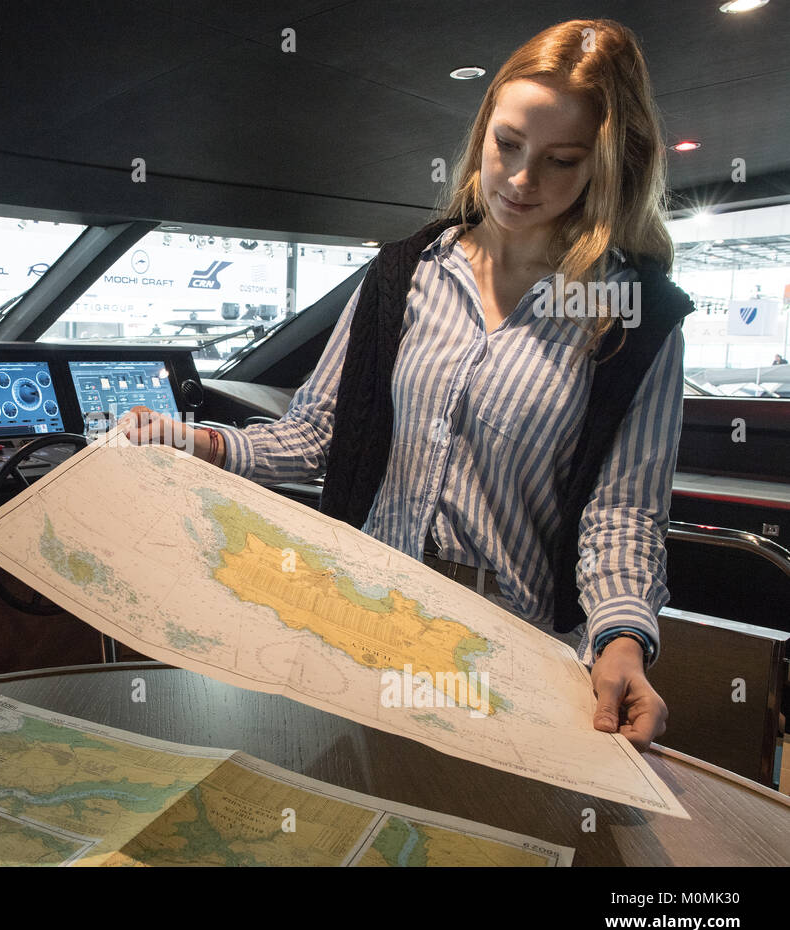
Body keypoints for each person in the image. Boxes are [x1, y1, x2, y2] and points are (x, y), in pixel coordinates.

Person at [125, 18, 693, 752]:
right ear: (483, 128)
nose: (521, 181)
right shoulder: (403, 275)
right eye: (508, 145)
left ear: (604, 167)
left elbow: (622, 517)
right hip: (366, 624)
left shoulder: (628, 315)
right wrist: (196, 441)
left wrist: (622, 639)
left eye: (560, 160)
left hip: (515, 654)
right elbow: (315, 435)